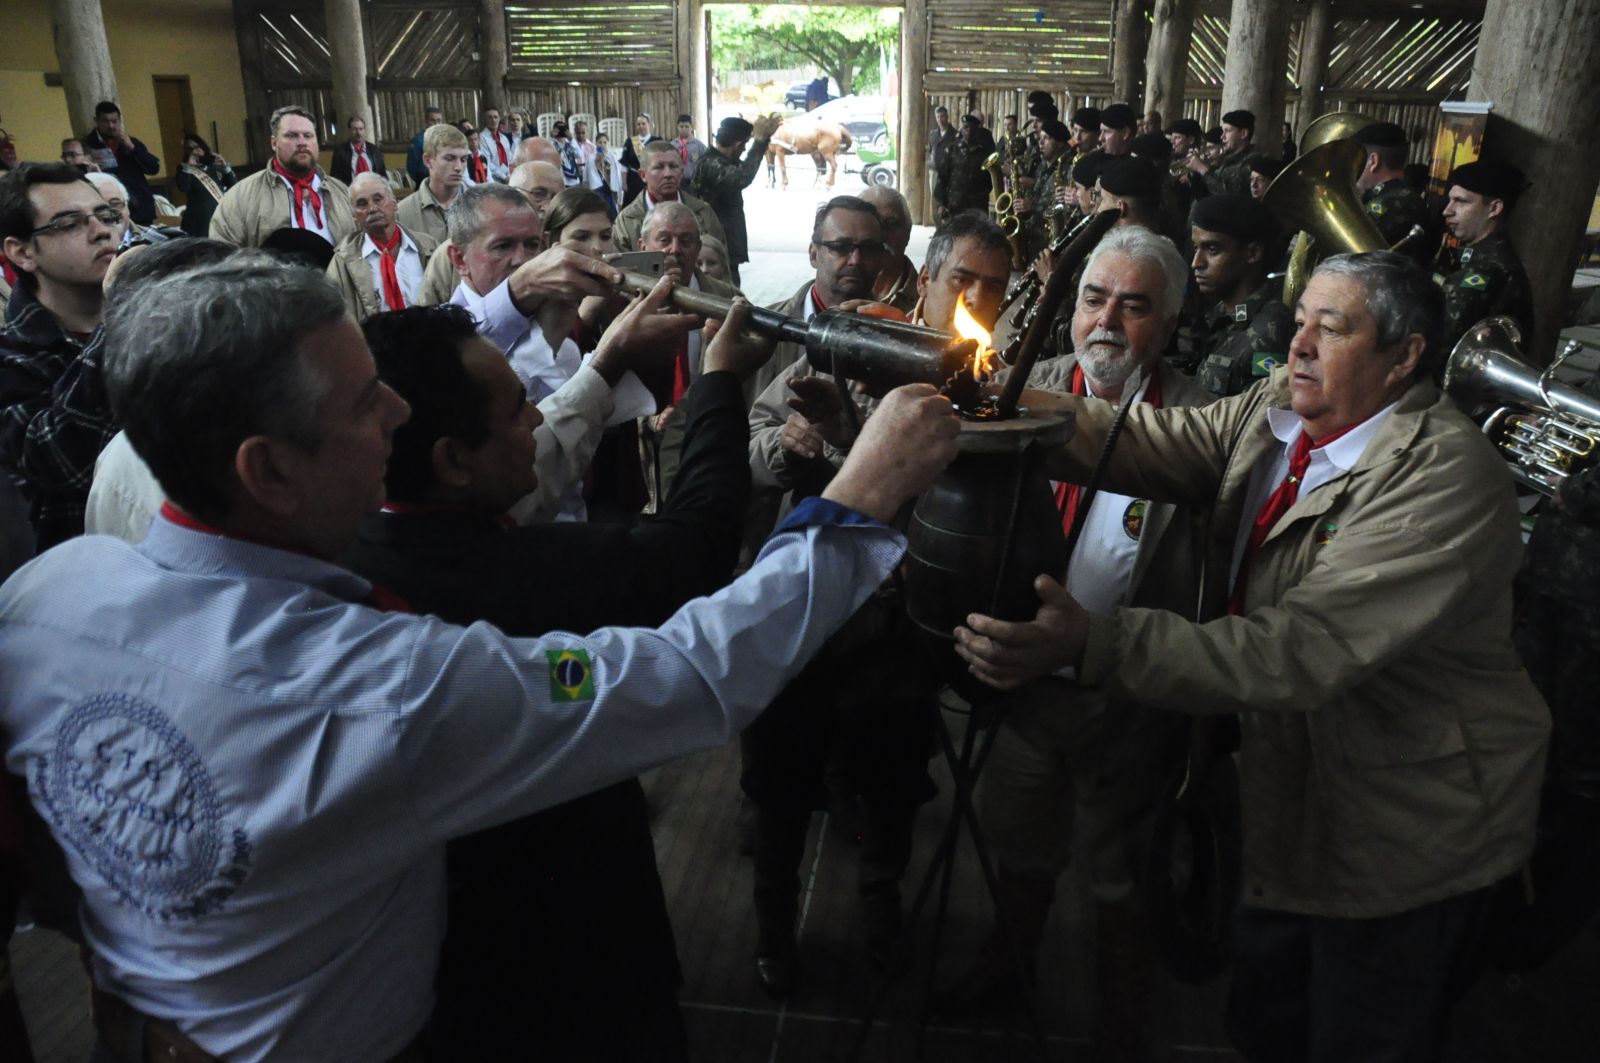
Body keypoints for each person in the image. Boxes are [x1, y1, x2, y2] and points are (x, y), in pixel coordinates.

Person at [0, 252, 960, 1063]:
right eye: (366, 402)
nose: (395, 418)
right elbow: (687, 670)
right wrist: (859, 496)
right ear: (269, 467)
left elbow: (41, 855)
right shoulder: (386, 689)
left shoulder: (50, 598)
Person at [955, 250, 1549, 1063]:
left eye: (1330, 328)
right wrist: (988, 392)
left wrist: (1096, 640)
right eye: (1300, 319)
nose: (1297, 344)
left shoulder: (1441, 477)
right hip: (1291, 797)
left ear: (1404, 357)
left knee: (1358, 1035)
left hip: (1403, 834)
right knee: (1265, 1025)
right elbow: (1148, 439)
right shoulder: (1281, 408)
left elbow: (1299, 649)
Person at [345, 295, 768, 1060]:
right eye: (517, 412)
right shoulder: (532, 581)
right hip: (572, 931)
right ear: (452, 458)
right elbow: (696, 542)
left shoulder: (353, 546)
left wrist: (604, 360)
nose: (539, 422)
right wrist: (720, 381)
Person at [941, 228, 1211, 1063]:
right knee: (1019, 846)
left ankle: (1122, 1019)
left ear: (1168, 322)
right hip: (1022, 692)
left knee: (1123, 879)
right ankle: (1006, 964)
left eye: (1134, 307)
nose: (1106, 321)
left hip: (1126, 699)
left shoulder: (1200, 419)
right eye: (1093, 298)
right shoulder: (1019, 386)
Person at [741, 199, 944, 997]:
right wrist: (783, 449)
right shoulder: (776, 332)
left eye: (868, 248)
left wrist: (847, 434)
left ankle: (881, 905)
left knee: (890, 771)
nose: (852, 261)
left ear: (891, 256)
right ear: (815, 252)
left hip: (889, 606)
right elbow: (744, 441)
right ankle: (769, 929)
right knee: (781, 776)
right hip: (792, 595)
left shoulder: (916, 341)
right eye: (837, 247)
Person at [443, 183, 653, 524]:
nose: (523, 260)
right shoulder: (444, 341)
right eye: (503, 246)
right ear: (459, 259)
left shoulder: (558, 331)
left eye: (532, 245)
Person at [0, 163, 119, 549]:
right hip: (85, 575)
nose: (102, 231)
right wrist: (125, 312)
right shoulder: (12, 357)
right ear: (22, 253)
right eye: (69, 224)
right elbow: (65, 461)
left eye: (105, 216)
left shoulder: (159, 319)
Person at [635, 200, 742, 509]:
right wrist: (645, 416)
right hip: (643, 454)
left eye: (686, 241)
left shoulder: (728, 302)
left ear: (698, 247)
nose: (675, 250)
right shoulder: (623, 302)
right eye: (664, 239)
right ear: (644, 246)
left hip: (703, 442)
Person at [1189, 194, 1294, 396]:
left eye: (1212, 249)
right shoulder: (1226, 314)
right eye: (1196, 248)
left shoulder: (1270, 332)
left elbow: (1260, 419)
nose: (1196, 263)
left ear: (1252, 253)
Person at [210, 106, 354, 247]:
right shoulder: (241, 197)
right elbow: (222, 257)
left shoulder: (342, 193)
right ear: (274, 143)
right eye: (291, 136)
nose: (302, 142)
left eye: (308, 135)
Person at [1438, 160, 1533, 356]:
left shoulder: (1489, 268)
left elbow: (1441, 335)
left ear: (1494, 208)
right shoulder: (1478, 255)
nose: (1447, 210)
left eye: (1461, 201)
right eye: (1450, 200)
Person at [326, 173, 439, 319]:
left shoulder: (429, 247)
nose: (372, 208)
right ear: (354, 215)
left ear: (394, 203)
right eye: (362, 204)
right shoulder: (343, 261)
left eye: (378, 199)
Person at [690, 114, 781, 287]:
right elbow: (743, 177)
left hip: (724, 244)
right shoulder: (710, 163)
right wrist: (760, 142)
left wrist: (764, 138)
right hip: (715, 246)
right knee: (725, 293)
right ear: (738, 145)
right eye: (744, 146)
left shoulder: (720, 161)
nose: (744, 150)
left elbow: (743, 168)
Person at [610, 140, 727, 253]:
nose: (668, 174)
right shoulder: (627, 221)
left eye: (673, 166)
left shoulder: (703, 213)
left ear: (681, 172)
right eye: (659, 167)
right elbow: (621, 269)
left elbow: (720, 262)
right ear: (643, 175)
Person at [911, 211, 1010, 333]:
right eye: (961, 280)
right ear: (924, 280)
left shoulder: (992, 352)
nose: (977, 300)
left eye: (992, 288)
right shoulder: (886, 342)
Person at [79, 101, 160, 225]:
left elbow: (154, 168)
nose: (111, 126)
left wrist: (133, 149)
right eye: (105, 121)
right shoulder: (87, 145)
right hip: (107, 209)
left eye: (114, 121)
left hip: (138, 208)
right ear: (97, 120)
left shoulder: (130, 142)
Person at [396, 123, 472, 246]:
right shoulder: (403, 214)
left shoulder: (481, 206)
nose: (458, 167)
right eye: (449, 158)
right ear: (427, 160)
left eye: (463, 160)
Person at [859, 186, 920, 315]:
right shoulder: (833, 288)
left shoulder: (927, 298)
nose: (880, 234)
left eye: (891, 223)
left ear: (908, 233)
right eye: (870, 224)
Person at [175, 132, 235, 238]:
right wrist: (188, 167)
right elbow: (184, 187)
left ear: (203, 146)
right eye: (189, 149)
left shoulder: (213, 165)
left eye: (196, 147)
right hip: (198, 219)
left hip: (218, 214)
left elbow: (233, 186)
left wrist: (225, 168)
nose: (194, 151)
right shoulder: (184, 168)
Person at [1187, 109, 1257, 197]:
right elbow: (1203, 196)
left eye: (1227, 131)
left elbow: (1229, 195)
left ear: (1243, 133)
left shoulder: (1252, 161)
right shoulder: (1223, 159)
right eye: (1223, 131)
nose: (1222, 136)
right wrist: (1195, 173)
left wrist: (1202, 169)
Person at [934, 115, 991, 221]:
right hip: (955, 206)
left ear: (977, 131)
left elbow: (989, 181)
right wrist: (941, 204)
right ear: (962, 129)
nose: (968, 131)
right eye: (965, 127)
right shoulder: (952, 149)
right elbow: (942, 178)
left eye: (972, 128)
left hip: (977, 207)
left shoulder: (984, 152)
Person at [330, 115, 387, 185]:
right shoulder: (340, 151)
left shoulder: (374, 150)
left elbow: (382, 174)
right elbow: (335, 178)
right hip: (351, 193)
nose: (358, 133)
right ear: (349, 130)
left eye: (361, 129)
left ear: (365, 130)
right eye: (354, 129)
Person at [620, 113, 658, 205]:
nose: (641, 126)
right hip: (633, 180)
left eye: (643, 123)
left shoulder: (656, 140)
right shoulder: (630, 142)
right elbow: (624, 164)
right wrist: (624, 183)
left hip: (651, 179)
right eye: (639, 124)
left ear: (649, 125)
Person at [587, 130, 626, 216]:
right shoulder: (591, 157)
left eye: (605, 142)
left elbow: (617, 172)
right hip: (597, 186)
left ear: (608, 143)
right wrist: (599, 162)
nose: (602, 144)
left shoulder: (612, 156)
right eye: (600, 142)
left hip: (610, 187)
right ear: (596, 144)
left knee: (612, 210)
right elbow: (589, 173)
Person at [406, 105, 445, 184]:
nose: (436, 123)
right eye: (432, 120)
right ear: (426, 121)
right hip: (424, 179)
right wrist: (420, 179)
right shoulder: (418, 140)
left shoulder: (445, 139)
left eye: (439, 120)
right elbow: (411, 166)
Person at [927, 106, 958, 206]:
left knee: (948, 201)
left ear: (947, 117)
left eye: (942, 116)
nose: (940, 120)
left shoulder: (955, 134)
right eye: (938, 117)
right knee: (935, 200)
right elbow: (931, 152)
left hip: (950, 173)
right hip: (935, 172)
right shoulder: (933, 135)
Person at [478, 107, 514, 183]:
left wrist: (510, 175)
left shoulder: (503, 138)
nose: (493, 120)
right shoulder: (482, 138)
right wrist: (504, 177)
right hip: (493, 179)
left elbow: (510, 158)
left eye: (495, 117)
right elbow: (487, 161)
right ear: (485, 120)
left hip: (508, 178)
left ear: (499, 119)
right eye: (489, 117)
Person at [671, 113, 707, 182]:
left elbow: (705, 164)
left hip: (694, 181)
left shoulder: (699, 145)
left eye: (687, 126)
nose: (684, 129)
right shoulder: (672, 145)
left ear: (691, 127)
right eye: (681, 126)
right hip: (677, 180)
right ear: (677, 127)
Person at [550, 120, 583, 188]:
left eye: (563, 129)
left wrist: (571, 139)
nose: (561, 131)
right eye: (558, 129)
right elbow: (548, 153)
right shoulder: (551, 143)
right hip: (559, 178)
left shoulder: (570, 143)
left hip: (573, 179)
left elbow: (579, 155)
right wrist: (551, 137)